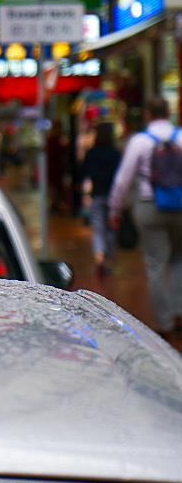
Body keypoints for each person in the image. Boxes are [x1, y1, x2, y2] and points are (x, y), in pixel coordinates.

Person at [108, 96, 182, 340]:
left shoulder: (140, 141)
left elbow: (123, 179)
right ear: (169, 112)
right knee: (179, 260)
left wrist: (115, 210)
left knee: (156, 264)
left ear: (148, 115)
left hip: (150, 207)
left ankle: (164, 322)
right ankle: (179, 311)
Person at [80, 122, 121, 276]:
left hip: (97, 194)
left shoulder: (92, 153)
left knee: (98, 228)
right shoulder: (115, 153)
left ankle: (99, 258)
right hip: (112, 196)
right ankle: (109, 260)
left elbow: (83, 173)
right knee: (110, 229)